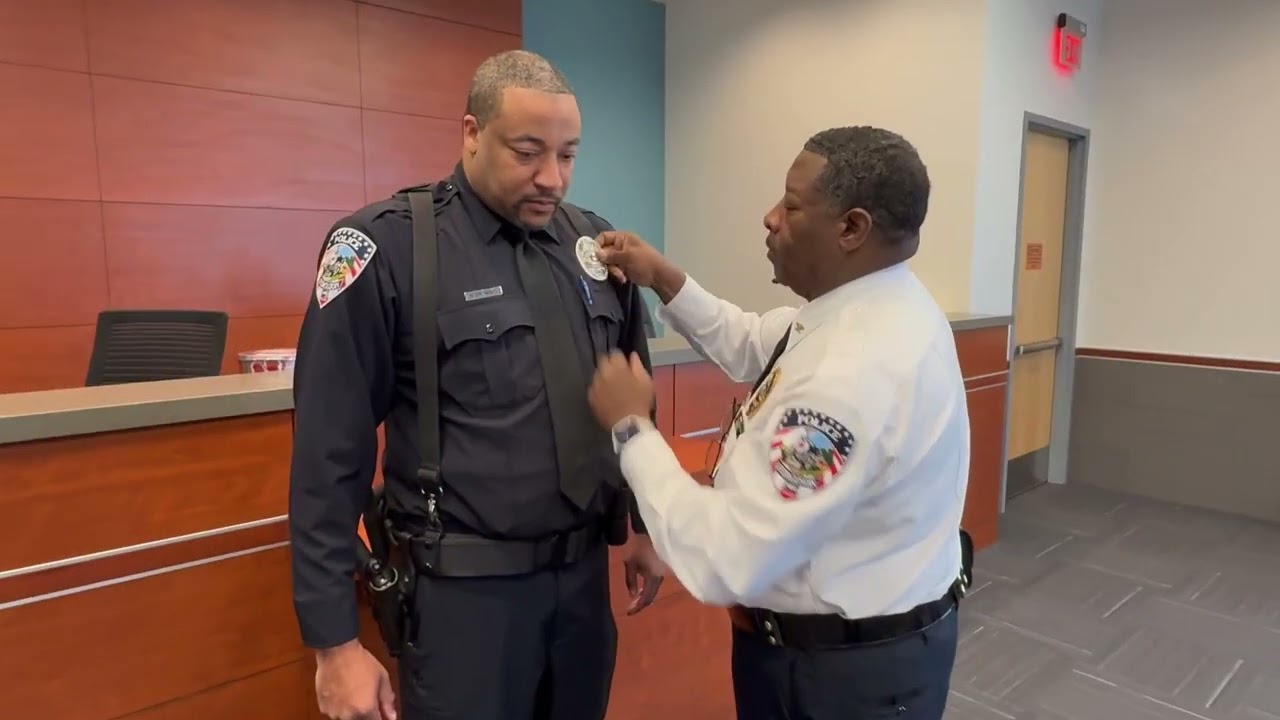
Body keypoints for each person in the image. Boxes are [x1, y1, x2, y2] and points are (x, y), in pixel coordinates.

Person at [288, 49, 667, 720]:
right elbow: (327, 454)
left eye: (568, 155)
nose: (553, 177)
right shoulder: (387, 249)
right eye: (528, 152)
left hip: (581, 586)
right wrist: (332, 643)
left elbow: (632, 390)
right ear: (470, 133)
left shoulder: (595, 246)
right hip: (464, 602)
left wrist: (642, 523)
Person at [585, 126, 968, 720]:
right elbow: (752, 341)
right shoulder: (871, 307)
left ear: (851, 228)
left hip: (838, 680)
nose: (769, 218)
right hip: (859, 652)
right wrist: (661, 276)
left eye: (790, 206)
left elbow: (725, 557)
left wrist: (633, 430)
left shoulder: (852, 373)